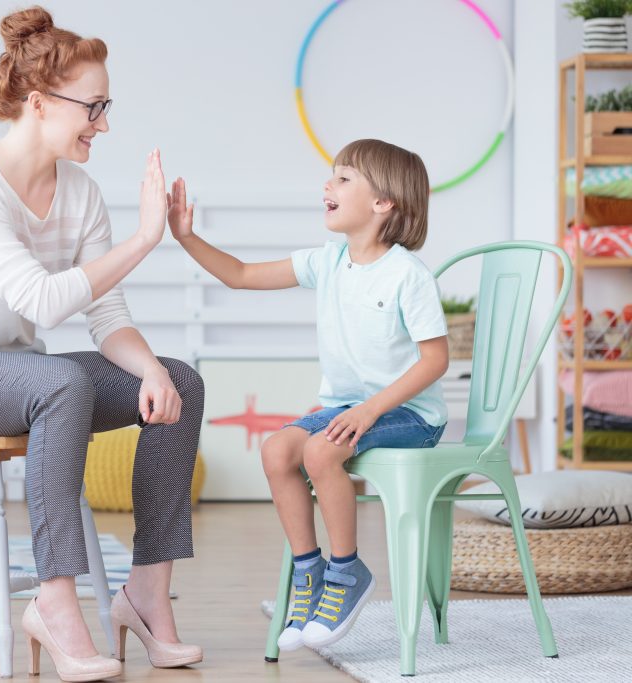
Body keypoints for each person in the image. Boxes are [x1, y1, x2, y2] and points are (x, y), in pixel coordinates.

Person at [0, 6, 203, 681]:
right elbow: (42, 300)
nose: (104, 123)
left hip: (12, 377)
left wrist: (149, 371)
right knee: (61, 383)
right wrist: (144, 241)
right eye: (94, 106)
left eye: (106, 106)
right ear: (39, 102)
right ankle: (54, 602)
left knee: (180, 381)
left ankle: (144, 594)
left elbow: (106, 318)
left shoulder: (80, 195)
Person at [167, 138, 449, 651]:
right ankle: (309, 571)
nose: (328, 185)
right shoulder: (330, 260)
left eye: (343, 178)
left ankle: (348, 574)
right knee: (276, 448)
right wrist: (187, 238)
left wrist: (370, 409)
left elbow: (436, 360)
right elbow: (242, 275)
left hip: (409, 413)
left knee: (320, 451)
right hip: (349, 409)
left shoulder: (409, 274)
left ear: (383, 202)